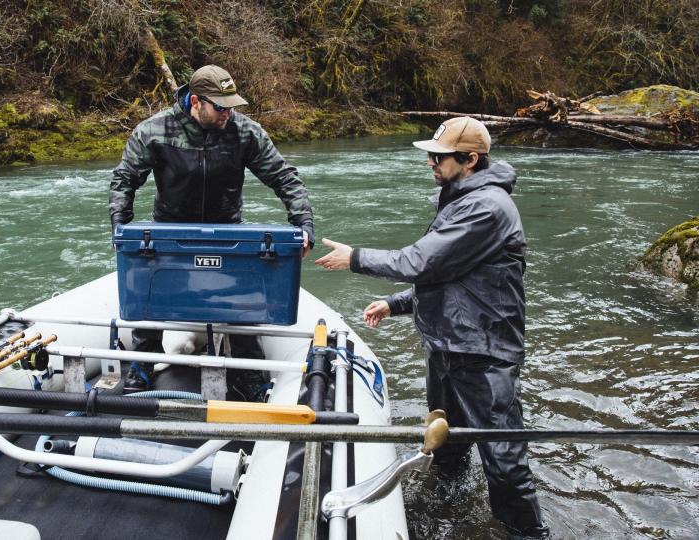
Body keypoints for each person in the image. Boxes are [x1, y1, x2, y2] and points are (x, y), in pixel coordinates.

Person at [314, 116, 550, 539]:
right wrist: (395, 303)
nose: (430, 162)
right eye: (431, 154)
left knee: (504, 460)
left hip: (484, 353)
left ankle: (527, 534)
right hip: (448, 345)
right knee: (447, 444)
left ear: (471, 159)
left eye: (439, 156)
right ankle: (450, 510)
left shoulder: (485, 207)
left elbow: (419, 262)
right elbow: (448, 276)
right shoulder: (459, 200)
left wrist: (355, 257)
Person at [109, 65, 314, 399]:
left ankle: (250, 372)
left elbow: (283, 176)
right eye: (220, 107)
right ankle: (144, 365)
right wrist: (120, 228)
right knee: (145, 296)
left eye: (231, 106)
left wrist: (303, 223)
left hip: (227, 229)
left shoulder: (245, 132)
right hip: (169, 231)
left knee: (244, 302)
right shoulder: (154, 131)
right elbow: (125, 179)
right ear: (195, 102)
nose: (227, 113)